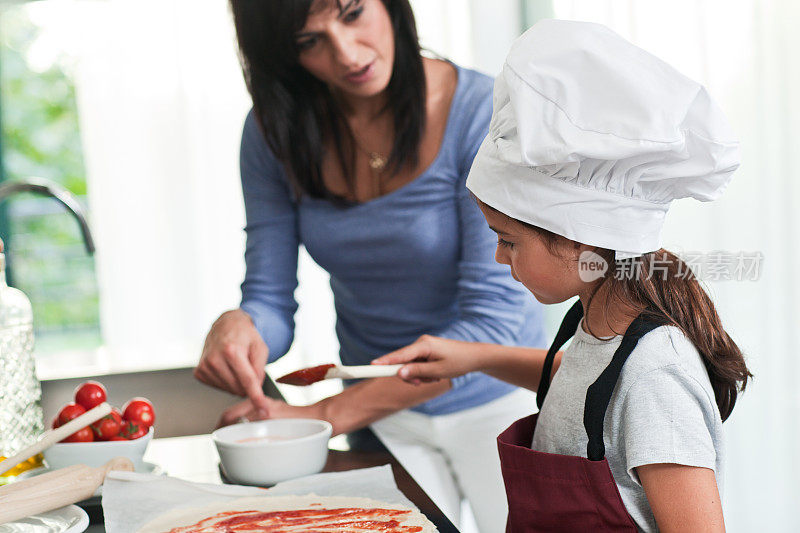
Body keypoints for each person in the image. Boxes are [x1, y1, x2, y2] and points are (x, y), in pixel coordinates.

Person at [374, 20, 753, 532]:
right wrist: (473, 357)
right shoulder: (601, 322)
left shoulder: (657, 378)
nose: (498, 258)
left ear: (578, 237)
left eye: (507, 239)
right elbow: (578, 380)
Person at [193, 0, 545, 530]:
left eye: (354, 13)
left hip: (501, 406)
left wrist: (324, 416)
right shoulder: (274, 132)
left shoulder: (483, 113)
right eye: (309, 42)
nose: (346, 54)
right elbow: (269, 301)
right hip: (382, 419)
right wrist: (241, 326)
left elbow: (489, 324)